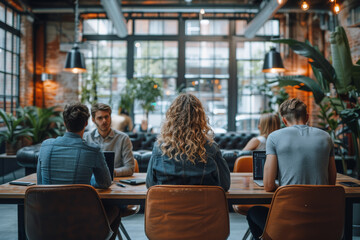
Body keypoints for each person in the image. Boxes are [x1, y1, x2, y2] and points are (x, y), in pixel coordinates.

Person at [246, 98, 337, 239]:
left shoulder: (274, 137)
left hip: (287, 223)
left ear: (283, 120)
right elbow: (331, 182)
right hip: (324, 222)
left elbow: (269, 185)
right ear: (307, 117)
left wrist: (287, 188)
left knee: (253, 212)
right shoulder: (326, 137)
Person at [37, 102, 120, 240]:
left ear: (64, 123)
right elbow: (105, 182)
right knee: (115, 209)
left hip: (45, 222)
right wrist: (87, 181)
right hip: (80, 223)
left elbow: (40, 184)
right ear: (86, 123)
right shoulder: (93, 149)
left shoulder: (45, 146)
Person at [146, 93, 231, 191]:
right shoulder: (211, 148)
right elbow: (225, 185)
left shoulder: (160, 148)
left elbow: (150, 185)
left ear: (172, 118)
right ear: (200, 118)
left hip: (167, 206)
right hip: (204, 206)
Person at [84, 103, 135, 177]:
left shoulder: (123, 139)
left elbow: (130, 168)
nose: (104, 121)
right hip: (92, 182)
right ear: (93, 120)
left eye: (106, 117)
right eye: (100, 118)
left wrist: (110, 172)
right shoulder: (86, 138)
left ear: (110, 117)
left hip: (117, 183)